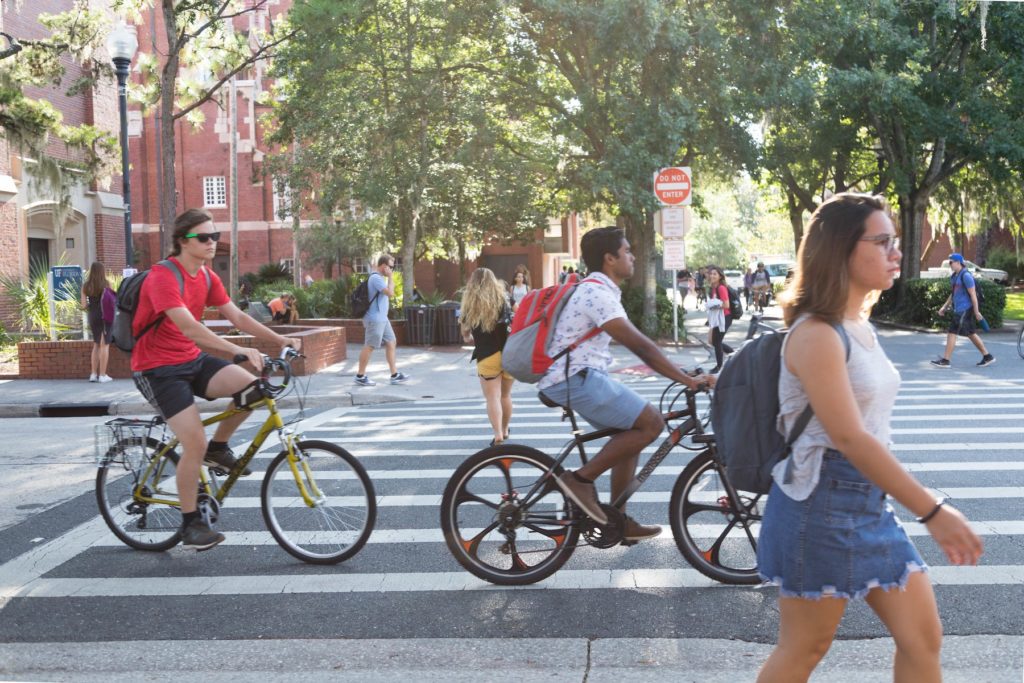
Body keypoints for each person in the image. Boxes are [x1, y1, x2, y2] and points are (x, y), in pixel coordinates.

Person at [756, 193, 982, 683]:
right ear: (840, 248)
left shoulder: (856, 325)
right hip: (817, 506)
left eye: (894, 241)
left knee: (923, 639)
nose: (896, 252)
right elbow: (851, 438)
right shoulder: (816, 333)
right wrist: (934, 511)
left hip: (866, 505)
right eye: (882, 242)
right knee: (804, 648)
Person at [130, 208, 301, 551]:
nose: (211, 243)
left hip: (190, 360)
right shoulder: (163, 276)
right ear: (182, 241)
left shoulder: (207, 277)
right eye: (203, 237)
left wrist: (280, 340)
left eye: (215, 236)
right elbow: (189, 327)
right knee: (193, 442)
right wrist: (235, 351)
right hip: (157, 368)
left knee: (253, 388)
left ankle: (219, 448)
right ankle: (191, 523)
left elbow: (237, 315)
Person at [538, 226, 716, 541]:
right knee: (651, 422)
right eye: (627, 251)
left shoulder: (599, 290)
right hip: (574, 377)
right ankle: (580, 480)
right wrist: (686, 379)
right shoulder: (598, 294)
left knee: (632, 430)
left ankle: (616, 519)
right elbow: (642, 347)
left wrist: (682, 370)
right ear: (609, 259)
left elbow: (644, 347)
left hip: (576, 376)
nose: (633, 256)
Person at [461, 267, 515, 446]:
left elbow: (465, 333)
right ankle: (506, 429)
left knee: (492, 397)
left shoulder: (470, 302)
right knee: (505, 396)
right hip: (508, 352)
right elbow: (520, 315)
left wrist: (469, 337)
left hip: (486, 355)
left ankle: (498, 433)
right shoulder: (505, 298)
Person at [930, 253, 994, 368]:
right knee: (970, 333)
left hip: (965, 309)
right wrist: (944, 307)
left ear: (958, 262)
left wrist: (976, 311)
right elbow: (953, 294)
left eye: (951, 262)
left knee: (952, 332)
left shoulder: (966, 276)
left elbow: (973, 295)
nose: (949, 264)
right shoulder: (955, 276)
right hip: (959, 308)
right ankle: (987, 356)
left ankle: (945, 360)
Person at [354, 254, 409, 386]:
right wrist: (390, 278)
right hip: (375, 319)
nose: (392, 269)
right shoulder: (376, 278)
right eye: (390, 267)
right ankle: (360, 375)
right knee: (370, 346)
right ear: (384, 266)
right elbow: (390, 293)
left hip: (382, 318)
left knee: (391, 342)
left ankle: (394, 374)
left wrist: (389, 278)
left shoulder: (379, 278)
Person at [80, 261, 115, 382]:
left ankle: (93, 374)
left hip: (93, 315)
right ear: (102, 271)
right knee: (104, 345)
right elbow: (112, 301)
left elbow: (83, 305)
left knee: (96, 344)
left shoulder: (86, 286)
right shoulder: (106, 284)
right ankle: (103, 375)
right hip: (105, 315)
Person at [705, 266, 734, 373]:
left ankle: (719, 367)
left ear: (720, 276)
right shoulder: (713, 288)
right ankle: (734, 354)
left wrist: (713, 306)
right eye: (711, 274)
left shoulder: (721, 288)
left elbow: (726, 305)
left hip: (725, 317)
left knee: (717, 341)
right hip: (718, 317)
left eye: (715, 274)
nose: (712, 276)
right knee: (713, 341)